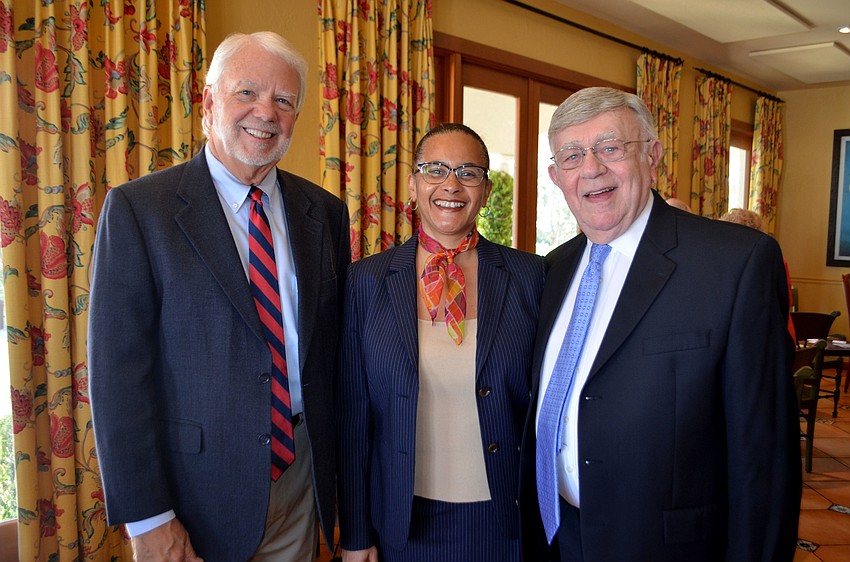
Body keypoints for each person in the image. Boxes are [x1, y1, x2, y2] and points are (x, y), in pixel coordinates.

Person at [88, 32, 350, 561]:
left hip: (300, 479)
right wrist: (149, 518)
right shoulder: (140, 210)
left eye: (283, 100)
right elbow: (117, 377)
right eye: (247, 92)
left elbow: (334, 353)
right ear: (209, 102)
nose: (266, 113)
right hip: (193, 493)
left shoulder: (325, 213)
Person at [519, 87, 800, 561]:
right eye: (572, 156)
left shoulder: (736, 263)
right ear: (556, 176)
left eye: (610, 147)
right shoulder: (553, 268)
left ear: (652, 155)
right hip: (558, 537)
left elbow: (764, 458)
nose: (591, 168)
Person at [337, 123, 545, 562]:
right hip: (402, 524)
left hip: (506, 522)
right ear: (413, 185)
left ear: (486, 191)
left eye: (469, 172)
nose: (452, 184)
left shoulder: (532, 277)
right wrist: (355, 534)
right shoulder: (365, 282)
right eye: (435, 170)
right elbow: (354, 420)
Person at [720, 208, 797, 342]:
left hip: (759, 333)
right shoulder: (774, 258)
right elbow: (786, 302)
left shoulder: (722, 262)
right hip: (772, 332)